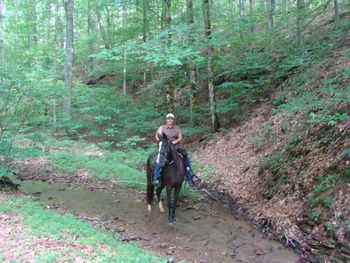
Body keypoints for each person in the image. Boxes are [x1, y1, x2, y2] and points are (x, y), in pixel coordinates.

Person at [152, 113, 198, 187]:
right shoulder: (162, 127)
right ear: (166, 120)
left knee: (185, 156)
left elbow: (180, 137)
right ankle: (156, 178)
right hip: (164, 147)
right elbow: (157, 137)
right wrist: (162, 141)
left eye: (171, 119)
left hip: (175, 147)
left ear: (173, 120)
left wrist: (174, 142)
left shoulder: (177, 128)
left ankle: (190, 176)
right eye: (168, 118)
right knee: (158, 159)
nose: (170, 120)